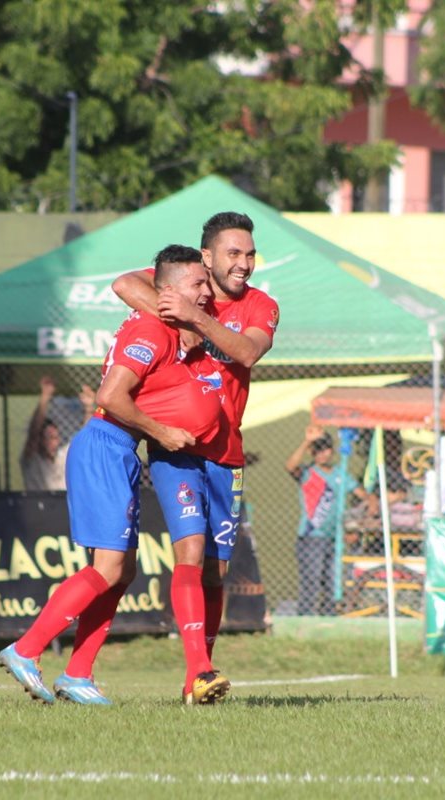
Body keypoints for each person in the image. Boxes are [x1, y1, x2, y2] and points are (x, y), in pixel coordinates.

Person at [0, 246, 225, 706]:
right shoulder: (150, 329)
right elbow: (111, 395)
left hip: (120, 451)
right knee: (108, 568)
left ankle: (78, 674)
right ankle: (26, 649)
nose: (206, 291)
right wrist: (164, 432)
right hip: (104, 446)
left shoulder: (167, 329)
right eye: (198, 283)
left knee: (122, 573)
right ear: (168, 290)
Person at [112, 211, 279, 704]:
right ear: (206, 257)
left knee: (216, 571)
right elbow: (124, 283)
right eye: (234, 253)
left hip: (227, 454)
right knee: (189, 551)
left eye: (250, 253)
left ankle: (194, 682)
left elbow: (247, 354)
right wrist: (176, 309)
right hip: (177, 446)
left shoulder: (260, 305)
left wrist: (194, 321)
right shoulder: (187, 282)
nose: (245, 263)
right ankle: (201, 670)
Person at [285, 425, 369, 616]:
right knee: (311, 580)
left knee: (332, 580)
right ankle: (306, 617)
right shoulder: (308, 472)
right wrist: (307, 441)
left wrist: (367, 510)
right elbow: (290, 466)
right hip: (311, 537)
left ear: (331, 450)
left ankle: (328, 615)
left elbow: (362, 494)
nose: (321, 454)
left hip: (335, 538)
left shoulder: (341, 474)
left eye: (324, 449)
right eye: (317, 451)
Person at [20, 376, 96, 491]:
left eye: (56, 437)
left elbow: (83, 438)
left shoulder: (62, 457)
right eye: (49, 437)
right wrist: (45, 396)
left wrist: (89, 407)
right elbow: (33, 433)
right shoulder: (33, 460)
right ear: (40, 440)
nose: (54, 442)